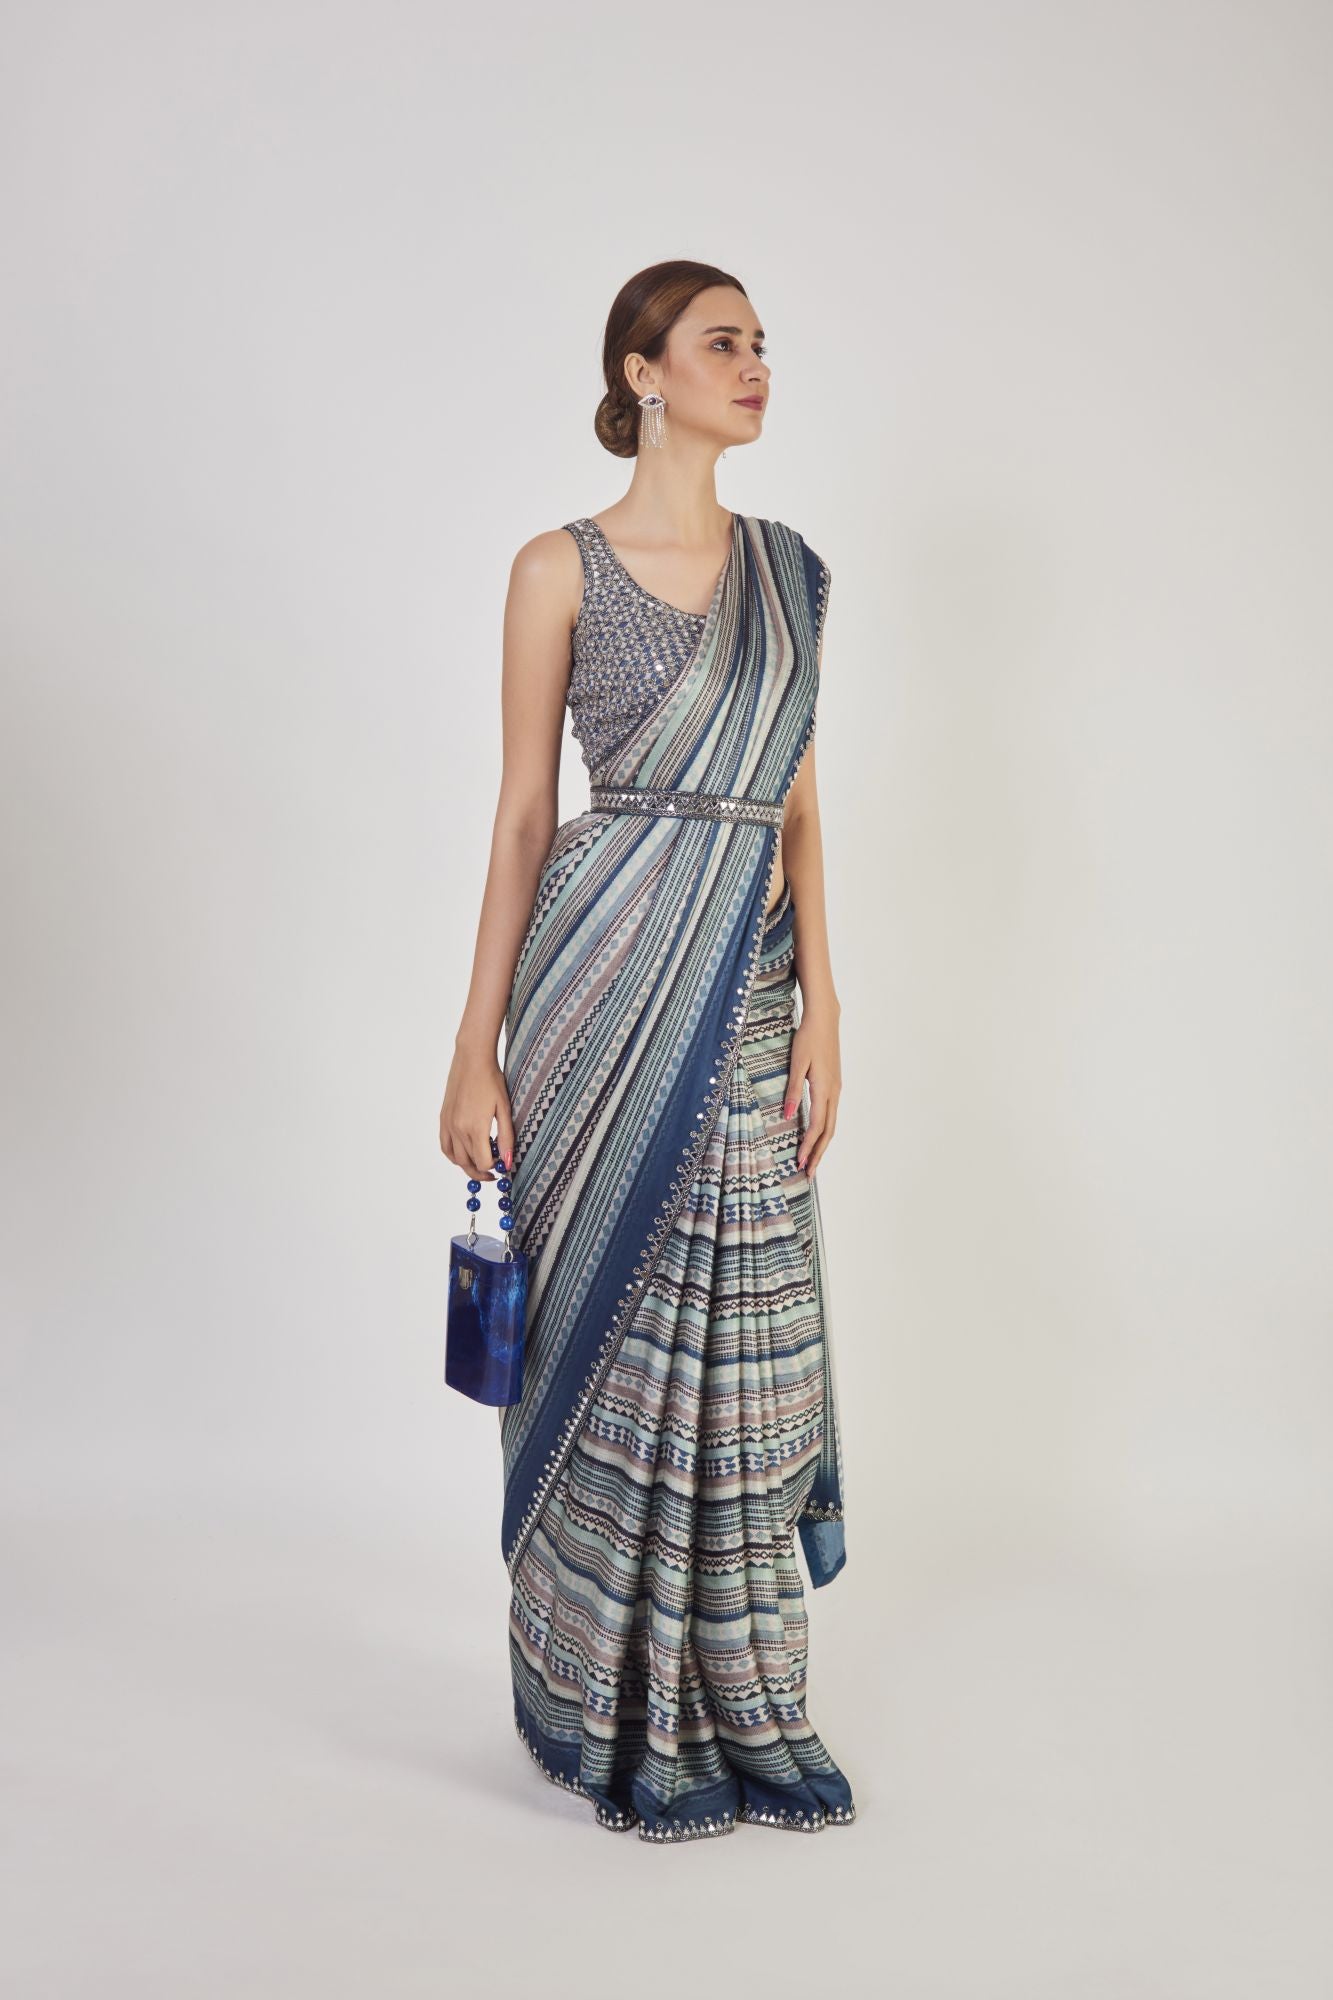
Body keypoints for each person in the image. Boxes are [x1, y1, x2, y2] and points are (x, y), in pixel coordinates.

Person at [439, 259, 855, 1843]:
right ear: (642, 371)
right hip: (594, 991)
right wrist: (472, 1049)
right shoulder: (557, 566)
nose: (754, 367)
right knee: (606, 1334)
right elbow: (523, 816)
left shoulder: (792, 576)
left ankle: (748, 1697)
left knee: (747, 1329)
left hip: (746, 984)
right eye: (721, 343)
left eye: (761, 345)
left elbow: (798, 803)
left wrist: (827, 1003)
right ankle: (603, 1706)